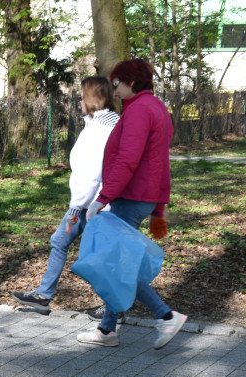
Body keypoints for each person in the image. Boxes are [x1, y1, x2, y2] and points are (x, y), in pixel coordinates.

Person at [77, 58, 187, 350]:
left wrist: (102, 198)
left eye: (117, 84)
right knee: (119, 260)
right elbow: (159, 161)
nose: (113, 91)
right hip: (143, 195)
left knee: (116, 264)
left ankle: (165, 315)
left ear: (132, 82)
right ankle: (107, 330)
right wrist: (159, 206)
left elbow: (128, 159)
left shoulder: (139, 110)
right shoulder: (157, 107)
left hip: (132, 196)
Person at [11, 77, 120, 315]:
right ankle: (43, 295)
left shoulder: (99, 131)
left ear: (91, 99)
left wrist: (76, 207)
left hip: (93, 206)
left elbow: (91, 174)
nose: (79, 101)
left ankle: (114, 308)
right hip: (92, 204)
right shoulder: (103, 125)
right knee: (61, 241)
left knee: (94, 258)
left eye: (82, 96)